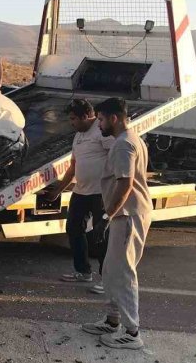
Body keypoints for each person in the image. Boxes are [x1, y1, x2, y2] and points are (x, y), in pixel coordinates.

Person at [81, 98, 152, 350]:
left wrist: (105, 216)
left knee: (123, 273)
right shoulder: (129, 139)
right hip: (123, 215)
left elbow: (125, 184)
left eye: (100, 119)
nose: (97, 124)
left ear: (113, 118)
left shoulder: (124, 145)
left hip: (129, 215)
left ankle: (132, 332)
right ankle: (112, 321)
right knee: (110, 270)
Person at [39, 99, 114, 292]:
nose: (71, 123)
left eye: (73, 119)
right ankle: (83, 272)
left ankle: (108, 280)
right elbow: (73, 166)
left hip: (100, 193)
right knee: (73, 229)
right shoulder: (78, 136)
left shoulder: (101, 132)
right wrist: (59, 189)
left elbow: (115, 157)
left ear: (85, 116)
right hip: (80, 191)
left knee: (101, 236)